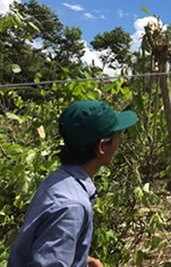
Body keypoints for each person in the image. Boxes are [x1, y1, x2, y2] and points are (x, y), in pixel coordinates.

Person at [7, 99, 138, 267]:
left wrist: (82, 260)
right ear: (102, 147)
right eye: (117, 137)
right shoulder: (72, 206)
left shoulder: (58, 181)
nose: (119, 144)